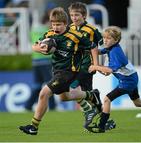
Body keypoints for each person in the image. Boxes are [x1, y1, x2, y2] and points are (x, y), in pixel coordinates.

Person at [19, 7, 101, 135]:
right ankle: (91, 95)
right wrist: (40, 49)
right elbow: (34, 45)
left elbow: (93, 47)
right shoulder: (49, 34)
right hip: (57, 70)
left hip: (69, 71)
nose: (55, 27)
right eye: (53, 24)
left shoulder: (75, 36)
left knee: (44, 93)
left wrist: (96, 65)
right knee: (64, 97)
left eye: (58, 24)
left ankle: (33, 126)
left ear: (65, 24)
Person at [87, 26, 141, 133]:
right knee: (138, 102)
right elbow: (99, 52)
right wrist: (89, 49)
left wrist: (95, 67)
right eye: (104, 37)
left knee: (106, 99)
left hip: (127, 81)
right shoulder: (111, 48)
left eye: (108, 38)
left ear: (116, 40)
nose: (105, 40)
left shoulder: (115, 52)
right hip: (131, 78)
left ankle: (101, 127)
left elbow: (109, 71)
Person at [59, 2, 116, 130]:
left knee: (70, 87)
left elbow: (102, 46)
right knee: (88, 95)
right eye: (72, 15)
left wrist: (98, 65)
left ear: (84, 15)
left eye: (77, 15)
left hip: (86, 65)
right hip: (73, 65)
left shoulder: (92, 30)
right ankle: (106, 120)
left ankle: (87, 111)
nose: (74, 17)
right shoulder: (69, 28)